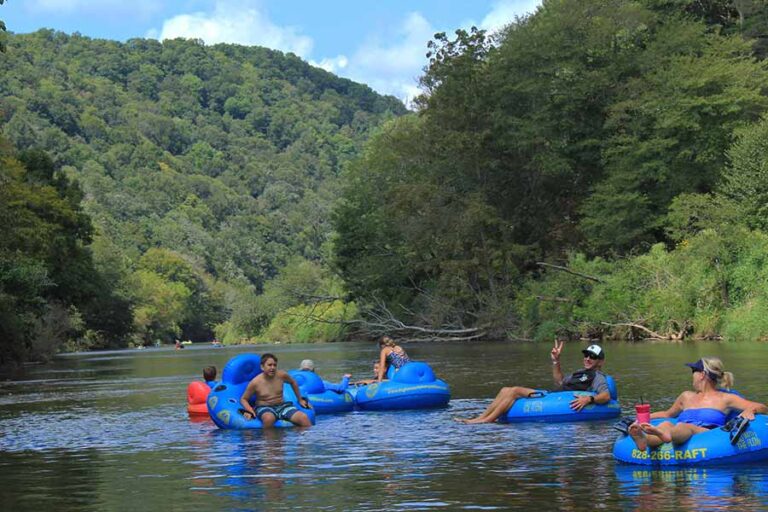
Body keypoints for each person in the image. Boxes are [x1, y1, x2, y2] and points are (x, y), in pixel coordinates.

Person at [456, 340, 612, 424]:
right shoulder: (579, 372)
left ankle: (486, 421)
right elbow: (559, 382)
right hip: (552, 395)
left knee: (515, 390)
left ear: (600, 361)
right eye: (586, 355)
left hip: (559, 400)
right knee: (505, 390)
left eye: (592, 357)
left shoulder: (597, 376)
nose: (587, 359)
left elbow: (606, 396)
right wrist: (556, 361)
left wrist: (589, 399)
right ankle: (479, 417)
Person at [627, 357, 768, 450]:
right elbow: (667, 414)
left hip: (706, 433)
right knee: (666, 424)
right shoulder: (686, 396)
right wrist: (642, 419)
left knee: (685, 426)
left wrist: (751, 410)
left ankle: (665, 435)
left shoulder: (725, 398)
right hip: (677, 430)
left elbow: (762, 406)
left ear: (702, 375)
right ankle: (644, 439)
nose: (691, 375)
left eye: (693, 371)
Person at [240, 353, 313, 428]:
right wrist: (250, 410)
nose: (272, 367)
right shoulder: (255, 382)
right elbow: (244, 399)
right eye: (269, 365)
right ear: (262, 367)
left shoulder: (281, 375)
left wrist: (300, 399)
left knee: (303, 417)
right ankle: (269, 439)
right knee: (269, 418)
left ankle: (304, 439)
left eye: (274, 365)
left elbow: (293, 382)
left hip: (282, 406)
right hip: (264, 407)